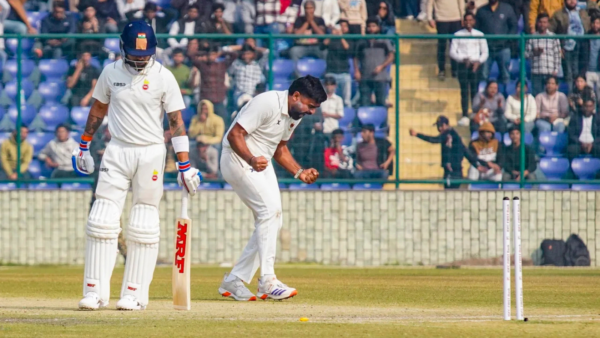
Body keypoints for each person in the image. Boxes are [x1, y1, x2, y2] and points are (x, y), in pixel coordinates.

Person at [73, 21, 201, 311]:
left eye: (145, 54)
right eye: (135, 54)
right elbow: (98, 110)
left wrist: (185, 166)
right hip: (117, 149)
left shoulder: (164, 77)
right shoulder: (111, 72)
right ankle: (95, 292)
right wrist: (83, 144)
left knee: (143, 221)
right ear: (122, 48)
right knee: (102, 218)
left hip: (150, 153)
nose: (141, 59)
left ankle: (134, 294)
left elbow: (176, 122)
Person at [218, 75, 326, 301]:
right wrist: (250, 159)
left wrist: (299, 171)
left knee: (274, 219)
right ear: (296, 95)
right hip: (237, 157)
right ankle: (267, 280)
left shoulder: (295, 113)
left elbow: (280, 149)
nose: (312, 111)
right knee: (268, 213)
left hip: (261, 161)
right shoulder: (267, 102)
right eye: (310, 105)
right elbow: (234, 134)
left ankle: (235, 278)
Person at [410, 116, 477, 189]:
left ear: (446, 125)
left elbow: (433, 139)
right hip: (455, 170)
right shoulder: (455, 135)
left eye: (441, 126)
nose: (439, 129)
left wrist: (417, 135)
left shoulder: (448, 134)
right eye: (438, 126)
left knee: (450, 193)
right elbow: (465, 151)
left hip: (452, 171)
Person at [449, 12, 488, 126]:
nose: (468, 22)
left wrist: (479, 61)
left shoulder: (480, 34)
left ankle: (475, 113)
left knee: (475, 91)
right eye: (466, 20)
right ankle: (465, 114)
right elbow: (452, 52)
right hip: (463, 65)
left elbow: (485, 52)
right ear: (463, 22)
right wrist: (462, 59)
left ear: (474, 21)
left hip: (475, 66)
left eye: (470, 20)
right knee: (464, 91)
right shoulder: (457, 35)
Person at [550, 0, 592, 93]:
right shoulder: (558, 14)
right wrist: (558, 47)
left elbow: (590, 26)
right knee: (569, 74)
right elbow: (551, 32)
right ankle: (571, 97)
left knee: (581, 74)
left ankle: (580, 96)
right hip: (567, 47)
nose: (572, 1)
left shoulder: (583, 12)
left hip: (583, 46)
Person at [191, 45, 237, 125]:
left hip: (218, 99)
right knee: (203, 122)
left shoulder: (222, 65)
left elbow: (234, 55)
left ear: (216, 55)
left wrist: (221, 52)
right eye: (209, 55)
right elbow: (190, 55)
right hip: (205, 100)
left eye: (213, 54)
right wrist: (203, 52)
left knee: (224, 121)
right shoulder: (202, 66)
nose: (211, 57)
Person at [354, 17, 395, 107]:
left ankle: (383, 121)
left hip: (380, 78)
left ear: (378, 28)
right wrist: (356, 70)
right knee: (365, 104)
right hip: (365, 78)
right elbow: (356, 57)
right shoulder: (362, 42)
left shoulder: (384, 41)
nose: (371, 28)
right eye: (369, 26)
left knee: (381, 103)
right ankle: (366, 122)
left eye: (373, 26)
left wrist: (381, 66)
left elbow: (391, 56)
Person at [475, 0, 517, 86]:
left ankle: (505, 97)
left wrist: (507, 39)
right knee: (483, 75)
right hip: (486, 49)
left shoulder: (507, 9)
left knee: (505, 76)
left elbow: (513, 26)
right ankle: (483, 97)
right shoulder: (481, 10)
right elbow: (476, 29)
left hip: (503, 48)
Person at [428, 0, 465, 81]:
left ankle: (455, 69)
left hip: (456, 19)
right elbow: (430, 3)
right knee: (442, 45)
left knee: (455, 46)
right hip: (441, 19)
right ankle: (441, 70)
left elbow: (461, 2)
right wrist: (430, 18)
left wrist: (463, 17)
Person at [526, 13, 561, 96]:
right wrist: (534, 53)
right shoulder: (532, 37)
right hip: (536, 72)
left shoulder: (553, 37)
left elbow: (557, 55)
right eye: (540, 22)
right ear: (537, 23)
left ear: (548, 23)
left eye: (545, 22)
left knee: (550, 96)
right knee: (537, 96)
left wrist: (555, 71)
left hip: (550, 72)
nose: (542, 24)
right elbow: (526, 55)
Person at [322, 19, 353, 107]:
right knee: (326, 97)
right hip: (331, 71)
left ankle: (347, 112)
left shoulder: (348, 38)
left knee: (346, 100)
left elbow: (348, 49)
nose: (342, 28)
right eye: (340, 26)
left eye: (344, 26)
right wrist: (332, 34)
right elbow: (322, 46)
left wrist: (341, 37)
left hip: (344, 72)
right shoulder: (331, 38)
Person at [583, 16, 600, 99]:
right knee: (590, 96)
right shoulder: (585, 37)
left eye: (598, 23)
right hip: (588, 71)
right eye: (593, 23)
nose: (595, 25)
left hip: (599, 71)